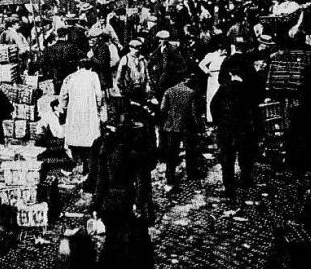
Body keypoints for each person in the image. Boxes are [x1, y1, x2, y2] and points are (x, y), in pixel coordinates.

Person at [90, 111, 155, 269]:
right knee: (131, 243)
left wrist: (96, 204)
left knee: (112, 241)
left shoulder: (104, 148)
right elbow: (141, 182)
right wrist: (140, 205)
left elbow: (100, 179)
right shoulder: (136, 150)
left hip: (109, 203)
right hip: (128, 201)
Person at [210, 64, 258, 197]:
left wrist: (218, 122)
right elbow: (255, 111)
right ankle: (246, 180)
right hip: (244, 128)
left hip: (226, 128)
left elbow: (213, 105)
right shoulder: (248, 90)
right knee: (245, 155)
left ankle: (229, 186)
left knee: (227, 158)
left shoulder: (223, 88)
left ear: (231, 74)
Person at [58, 58, 107, 174]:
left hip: (74, 111)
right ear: (90, 67)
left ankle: (79, 163)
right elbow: (99, 95)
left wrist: (63, 108)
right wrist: (99, 107)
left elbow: (63, 96)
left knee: (75, 137)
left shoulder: (70, 77)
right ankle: (89, 166)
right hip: (89, 110)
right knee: (90, 138)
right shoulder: (93, 76)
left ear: (78, 67)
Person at [160, 76, 204, 186]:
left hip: (171, 125)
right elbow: (194, 112)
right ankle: (191, 172)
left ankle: (170, 175)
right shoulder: (191, 92)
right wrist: (198, 125)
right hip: (187, 125)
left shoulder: (168, 91)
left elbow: (162, 109)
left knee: (172, 151)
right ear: (184, 80)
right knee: (190, 150)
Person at [198, 36, 228, 123]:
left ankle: (218, 116)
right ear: (220, 49)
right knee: (210, 97)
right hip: (212, 77)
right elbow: (201, 64)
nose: (225, 52)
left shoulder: (224, 57)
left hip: (221, 76)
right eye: (224, 50)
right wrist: (207, 72)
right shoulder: (211, 55)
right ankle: (210, 118)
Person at [43, 26, 81, 91]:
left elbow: (44, 62)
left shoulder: (50, 49)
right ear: (66, 35)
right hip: (70, 77)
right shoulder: (72, 47)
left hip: (56, 78)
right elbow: (81, 57)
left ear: (58, 35)